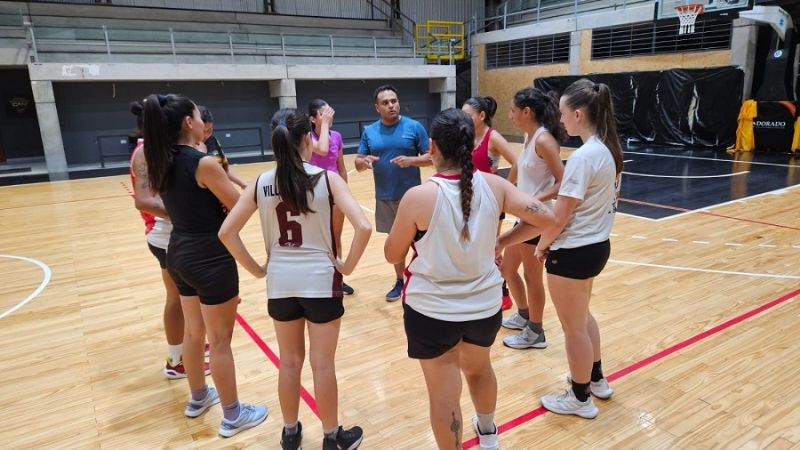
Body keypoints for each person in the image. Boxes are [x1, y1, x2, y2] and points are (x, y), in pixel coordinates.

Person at [385, 108, 556, 449]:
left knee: (444, 395)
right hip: (483, 306)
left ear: (431, 146)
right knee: (479, 370)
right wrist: (503, 240)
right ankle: (489, 435)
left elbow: (392, 254)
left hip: (431, 312)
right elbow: (547, 218)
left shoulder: (418, 197)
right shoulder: (495, 185)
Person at [219, 109, 372, 450]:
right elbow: (364, 226)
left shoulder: (260, 182)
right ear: (308, 139)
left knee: (289, 363)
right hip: (321, 281)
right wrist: (347, 267)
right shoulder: (326, 179)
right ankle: (332, 438)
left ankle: (290, 434)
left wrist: (258, 269)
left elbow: (227, 232)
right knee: (322, 365)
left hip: (281, 283)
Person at [142, 93, 267, 437]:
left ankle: (198, 397)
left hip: (178, 252)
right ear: (188, 122)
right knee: (221, 340)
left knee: (193, 332)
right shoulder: (204, 163)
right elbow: (239, 207)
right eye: (199, 116)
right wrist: (249, 191)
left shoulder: (160, 159)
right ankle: (233, 415)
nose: (203, 122)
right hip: (209, 256)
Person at [534, 79, 623, 418]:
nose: (560, 120)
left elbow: (560, 216)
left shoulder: (584, 157)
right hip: (596, 247)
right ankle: (596, 380)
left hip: (573, 252)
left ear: (577, 113)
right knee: (583, 318)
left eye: (561, 114)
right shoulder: (608, 150)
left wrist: (542, 245)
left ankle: (580, 397)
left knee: (573, 328)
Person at [129, 100, 211, 379]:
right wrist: (181, 213)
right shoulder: (145, 153)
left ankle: (192, 346)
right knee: (176, 298)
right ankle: (176, 360)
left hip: (184, 234)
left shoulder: (174, 150)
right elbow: (143, 200)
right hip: (165, 237)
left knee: (189, 297)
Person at [499, 87, 567, 350]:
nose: (511, 115)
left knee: (532, 276)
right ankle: (525, 314)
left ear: (527, 112)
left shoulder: (544, 140)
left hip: (537, 220)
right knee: (507, 270)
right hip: (524, 217)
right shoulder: (530, 138)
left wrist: (533, 202)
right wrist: (508, 190)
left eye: (513, 110)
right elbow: (520, 170)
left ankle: (536, 332)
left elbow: (563, 183)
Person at [355, 84, 430, 301]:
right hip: (385, 196)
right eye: (385, 103)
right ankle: (400, 280)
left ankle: (423, 280)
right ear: (377, 107)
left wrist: (412, 160)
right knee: (396, 243)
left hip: (414, 198)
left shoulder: (414, 127)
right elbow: (358, 161)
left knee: (422, 242)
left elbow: (431, 158)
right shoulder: (369, 132)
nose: (391, 105)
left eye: (394, 101)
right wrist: (364, 161)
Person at [461, 95, 518, 311]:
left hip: (491, 203)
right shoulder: (466, 136)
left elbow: (517, 162)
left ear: (482, 116)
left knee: (491, 248)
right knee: (473, 247)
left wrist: (506, 191)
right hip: (469, 200)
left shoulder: (492, 137)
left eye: (468, 115)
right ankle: (480, 289)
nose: (463, 118)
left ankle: (502, 292)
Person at [307, 99, 355, 295]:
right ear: (312, 118)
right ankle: (317, 278)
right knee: (315, 237)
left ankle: (337, 277)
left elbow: (341, 167)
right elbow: (321, 149)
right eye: (322, 113)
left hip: (335, 193)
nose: (328, 115)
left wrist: (345, 193)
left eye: (329, 112)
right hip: (314, 194)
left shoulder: (337, 136)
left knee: (335, 236)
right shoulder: (307, 137)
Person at [197, 105, 248, 189]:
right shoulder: (188, 148)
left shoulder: (214, 141)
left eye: (209, 130)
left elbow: (225, 171)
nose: (206, 135)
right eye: (203, 131)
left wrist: (243, 184)